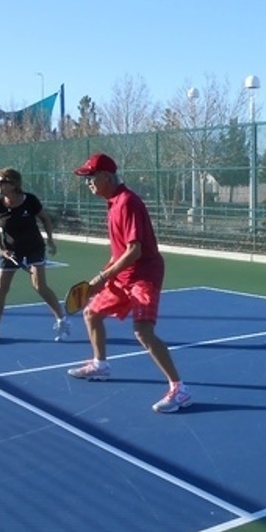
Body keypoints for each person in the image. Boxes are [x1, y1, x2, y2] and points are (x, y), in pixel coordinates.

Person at [67, 152, 192, 414]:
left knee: (143, 331)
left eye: (91, 176)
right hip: (123, 276)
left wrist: (103, 277)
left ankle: (179, 389)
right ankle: (100, 366)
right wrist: (103, 276)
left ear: (106, 176)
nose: (88, 182)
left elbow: (135, 250)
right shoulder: (112, 203)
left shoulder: (127, 202)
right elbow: (119, 251)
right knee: (91, 313)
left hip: (144, 275)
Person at [0, 167, 69, 344]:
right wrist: (1, 248)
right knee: (0, 289)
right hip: (11, 250)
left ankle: (62, 321)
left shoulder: (30, 200)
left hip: (34, 247)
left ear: (13, 184)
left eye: (2, 182)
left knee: (39, 286)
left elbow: (45, 219)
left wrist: (51, 240)